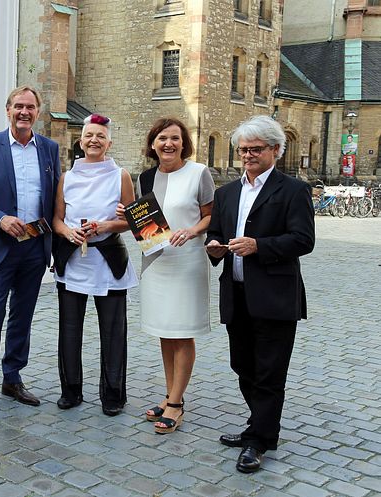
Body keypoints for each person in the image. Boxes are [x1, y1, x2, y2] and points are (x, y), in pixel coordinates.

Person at [206, 115, 315, 473]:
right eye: (243, 150)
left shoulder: (293, 190)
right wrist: (214, 247)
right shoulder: (227, 193)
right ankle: (259, 425)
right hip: (236, 294)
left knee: (270, 372)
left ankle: (259, 440)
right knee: (243, 366)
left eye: (256, 149)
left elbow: (303, 240)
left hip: (275, 296)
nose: (248, 155)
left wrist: (259, 246)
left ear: (276, 150)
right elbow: (216, 234)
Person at [0, 85, 60, 418]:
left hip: (35, 247)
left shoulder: (49, 149)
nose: (24, 112)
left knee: (22, 316)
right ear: (7, 110)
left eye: (30, 107)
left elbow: (56, 197)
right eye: (18, 106)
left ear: (37, 112)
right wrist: (0, 219)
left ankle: (13, 378)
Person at [52, 114, 138, 416]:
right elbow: (57, 219)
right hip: (73, 259)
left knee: (113, 332)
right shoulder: (67, 177)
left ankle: (113, 393)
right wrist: (67, 232)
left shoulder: (121, 176)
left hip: (109, 261)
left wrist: (105, 225)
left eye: (100, 136)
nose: (94, 141)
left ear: (109, 143)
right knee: (70, 329)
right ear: (81, 140)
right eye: (89, 135)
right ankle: (70, 389)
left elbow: (131, 221)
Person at [133, 117, 215, 434]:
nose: (169, 143)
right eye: (162, 138)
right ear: (153, 144)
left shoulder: (199, 173)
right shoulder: (145, 177)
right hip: (157, 263)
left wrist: (191, 231)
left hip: (187, 261)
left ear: (184, 144)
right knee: (165, 332)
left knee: (182, 332)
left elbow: (210, 216)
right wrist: (127, 217)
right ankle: (170, 396)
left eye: (175, 138)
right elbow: (147, 224)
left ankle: (177, 404)